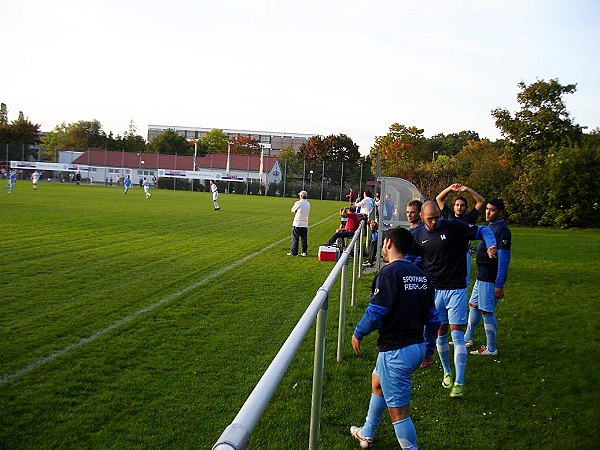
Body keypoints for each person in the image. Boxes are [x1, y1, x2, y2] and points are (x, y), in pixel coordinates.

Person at [350, 227, 440, 450]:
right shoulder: (423, 276)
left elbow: (376, 313)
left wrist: (359, 332)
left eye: (383, 244)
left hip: (397, 351)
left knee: (399, 413)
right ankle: (367, 432)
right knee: (377, 382)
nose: (382, 248)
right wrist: (428, 350)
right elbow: (433, 319)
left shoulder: (388, 273)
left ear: (389, 243)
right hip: (415, 346)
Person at [410, 201, 497, 398]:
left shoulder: (453, 226)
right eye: (430, 218)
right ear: (422, 217)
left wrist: (491, 245)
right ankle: (447, 371)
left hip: (456, 290)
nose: (434, 222)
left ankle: (459, 381)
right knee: (440, 331)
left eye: (437, 217)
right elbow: (406, 255)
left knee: (456, 335)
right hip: (434, 292)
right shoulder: (416, 235)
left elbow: (483, 231)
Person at [465, 199, 512, 356]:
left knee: (487, 311)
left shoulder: (502, 230)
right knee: (474, 306)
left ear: (500, 212)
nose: (487, 212)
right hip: (481, 276)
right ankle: (467, 338)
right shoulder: (490, 227)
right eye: (487, 209)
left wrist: (499, 284)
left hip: (489, 279)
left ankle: (491, 348)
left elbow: (504, 259)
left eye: (492, 210)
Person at [288, 190, 310, 257]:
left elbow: (292, 210)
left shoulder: (298, 202)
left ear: (301, 196)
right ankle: (304, 252)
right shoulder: (308, 203)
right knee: (304, 239)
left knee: (295, 238)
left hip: (298, 223)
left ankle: (294, 252)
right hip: (305, 223)